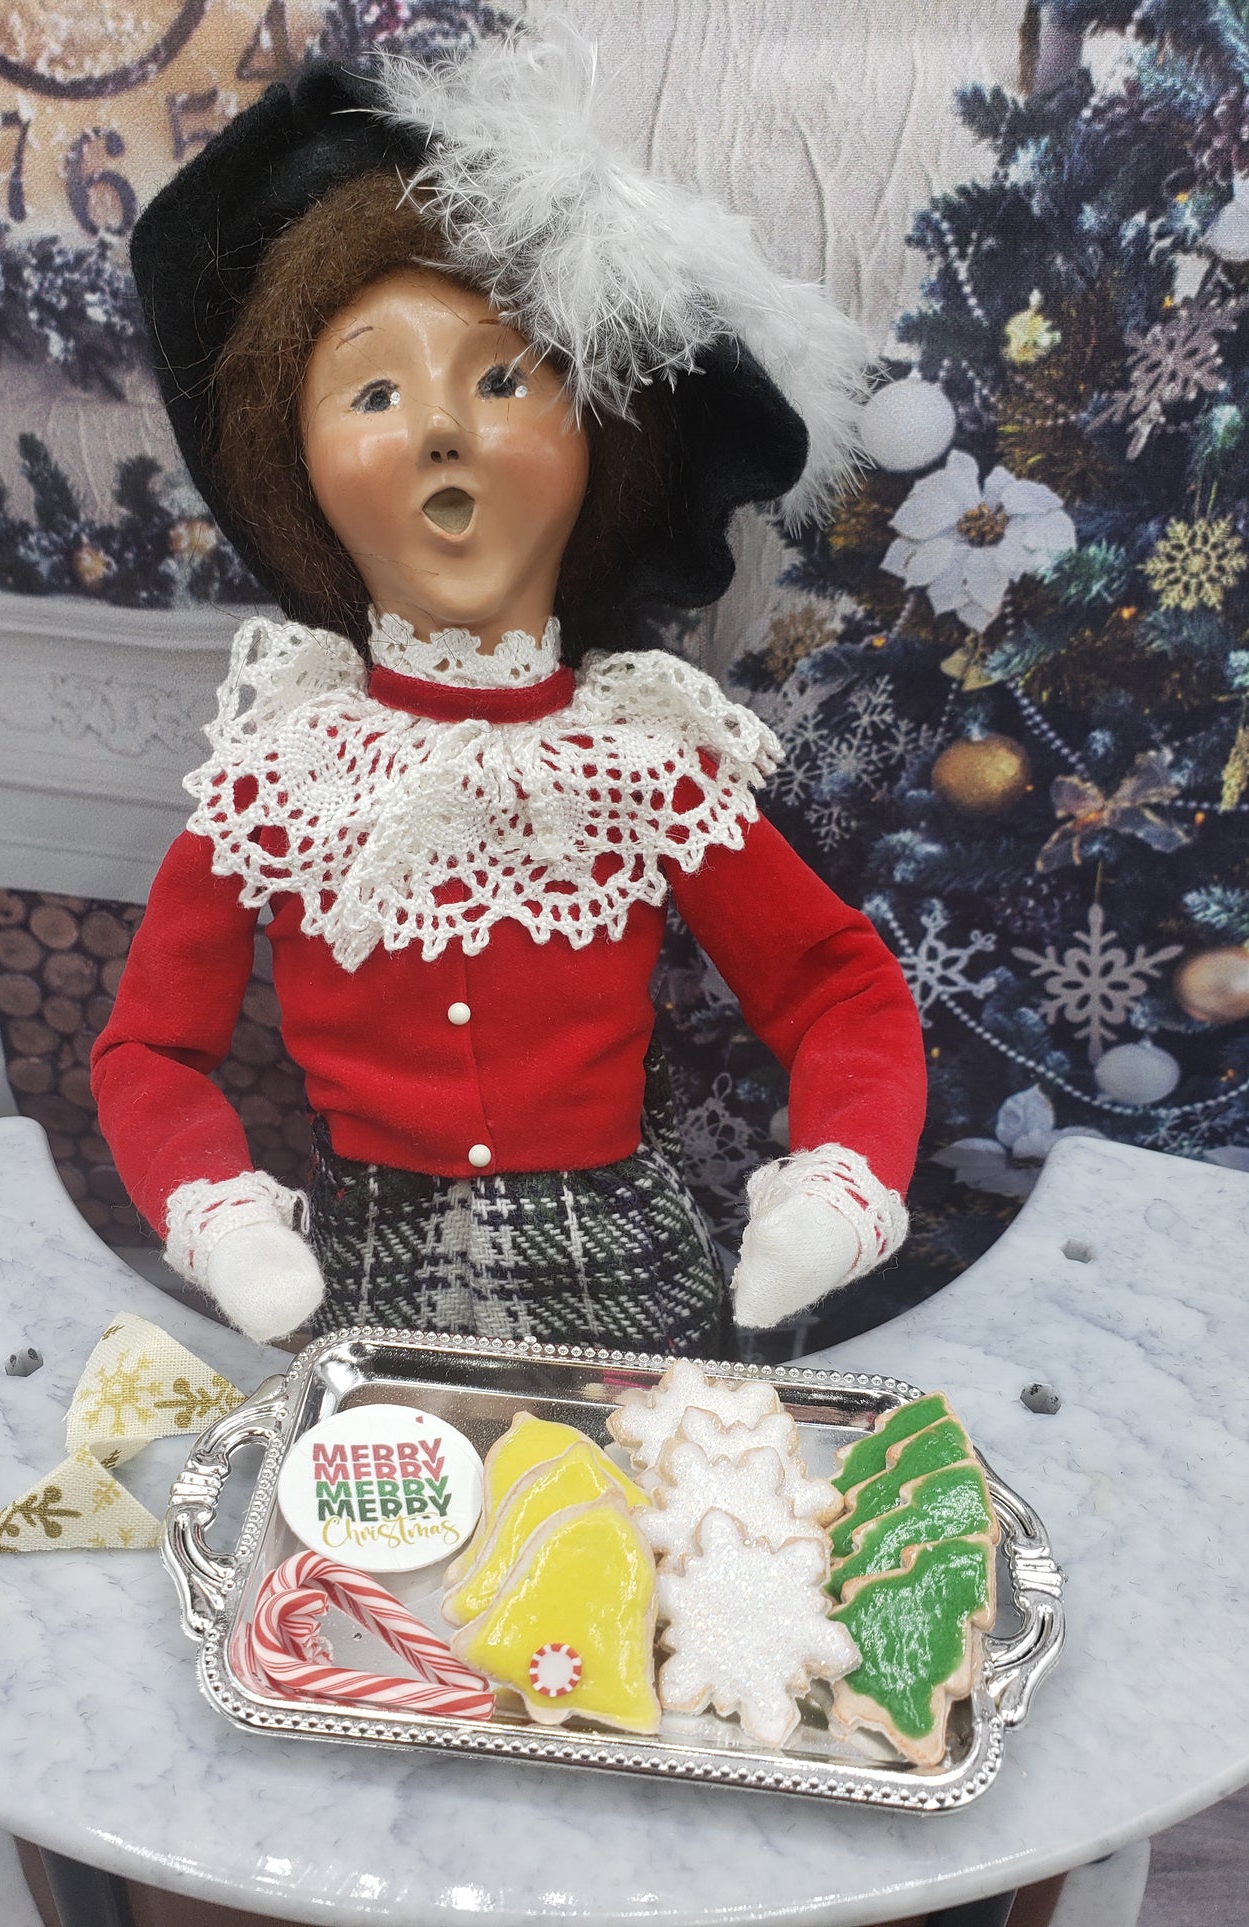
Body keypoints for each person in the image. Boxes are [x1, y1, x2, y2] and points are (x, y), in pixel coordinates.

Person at [91, 25, 927, 1354]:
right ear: (290, 464)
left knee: (658, 1543)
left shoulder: (643, 757)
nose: (440, 427)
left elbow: (835, 983)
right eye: (372, 388)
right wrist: (219, 1213)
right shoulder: (284, 771)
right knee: (385, 1559)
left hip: (630, 1268)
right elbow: (149, 1049)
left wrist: (838, 1181)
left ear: (599, 443)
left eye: (499, 377)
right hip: (368, 1279)